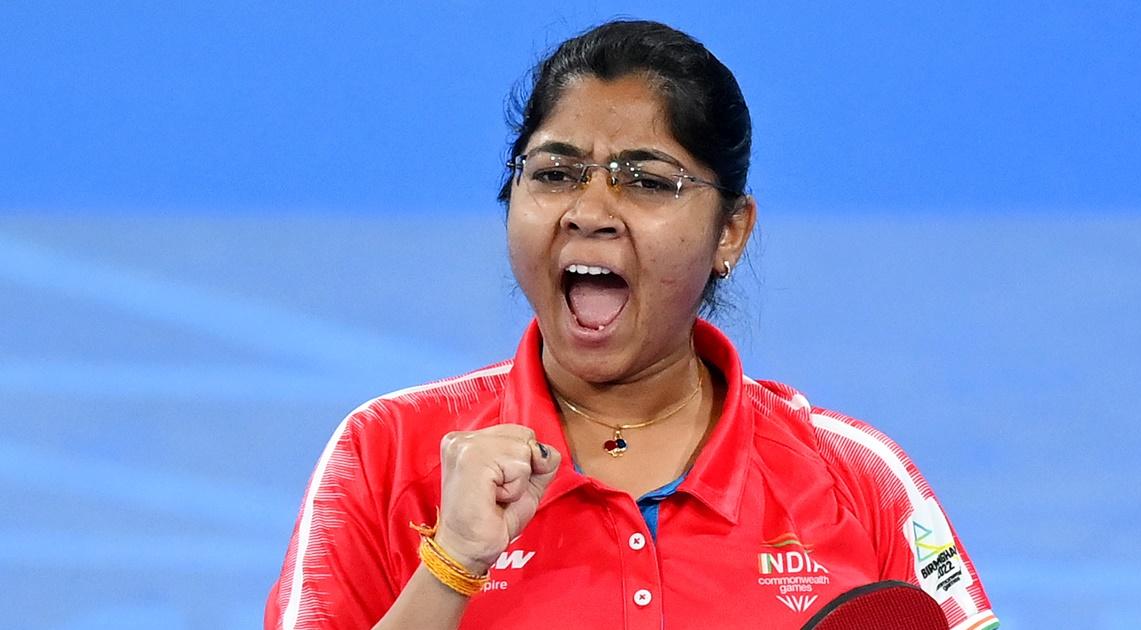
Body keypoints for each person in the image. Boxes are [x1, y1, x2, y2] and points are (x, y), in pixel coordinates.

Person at [264, 19, 999, 630]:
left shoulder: (857, 478)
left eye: (647, 181)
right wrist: (452, 562)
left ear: (730, 232)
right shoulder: (385, 453)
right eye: (554, 174)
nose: (589, 211)